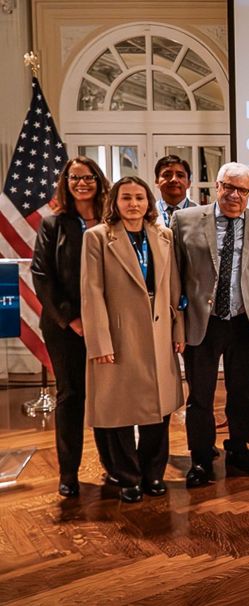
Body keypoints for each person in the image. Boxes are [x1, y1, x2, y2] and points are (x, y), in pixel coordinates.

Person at [81, 177, 185, 503]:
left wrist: (178, 331)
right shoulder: (97, 237)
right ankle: (127, 476)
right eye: (126, 198)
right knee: (119, 411)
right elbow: (91, 292)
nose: (133, 204)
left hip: (158, 333)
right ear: (115, 202)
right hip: (119, 336)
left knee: (159, 408)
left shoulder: (164, 235)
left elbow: (174, 291)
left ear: (148, 202)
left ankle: (153, 473)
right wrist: (100, 343)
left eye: (139, 197)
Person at [172, 162, 249, 488]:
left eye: (241, 190)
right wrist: (176, 323)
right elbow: (174, 274)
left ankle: (239, 449)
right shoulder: (184, 220)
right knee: (200, 395)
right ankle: (201, 457)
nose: (233, 195)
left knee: (242, 393)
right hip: (203, 322)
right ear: (216, 187)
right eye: (227, 187)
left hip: (243, 323)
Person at [31, 157, 113, 497]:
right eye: (74, 177)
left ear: (99, 180)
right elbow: (41, 275)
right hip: (65, 325)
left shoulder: (114, 221)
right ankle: (68, 473)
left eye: (88, 177)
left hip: (108, 323)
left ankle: (115, 466)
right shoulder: (54, 224)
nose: (82, 183)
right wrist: (72, 318)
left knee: (108, 397)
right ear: (66, 182)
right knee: (71, 395)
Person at [153, 154, 194, 228]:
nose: (174, 179)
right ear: (157, 182)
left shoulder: (201, 214)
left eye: (180, 175)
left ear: (188, 183)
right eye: (167, 175)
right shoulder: (147, 213)